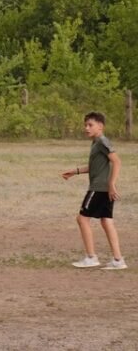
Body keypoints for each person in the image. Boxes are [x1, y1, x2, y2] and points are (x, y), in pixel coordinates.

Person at [61, 112, 125, 269]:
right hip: (103, 188)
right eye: (85, 125)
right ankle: (118, 260)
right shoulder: (96, 143)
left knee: (82, 219)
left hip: (100, 188)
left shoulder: (102, 142)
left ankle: (91, 257)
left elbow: (117, 161)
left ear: (100, 126)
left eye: (90, 125)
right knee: (106, 221)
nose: (86, 128)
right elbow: (95, 167)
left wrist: (111, 184)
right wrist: (75, 171)